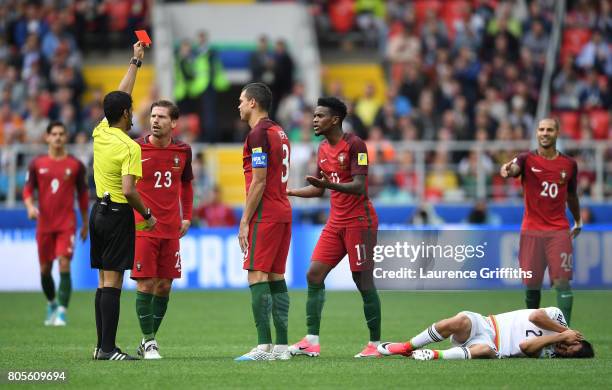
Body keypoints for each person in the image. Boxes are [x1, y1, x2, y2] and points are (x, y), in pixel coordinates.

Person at [287, 97, 382, 358]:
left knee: (362, 280)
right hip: (335, 222)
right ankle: (311, 341)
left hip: (360, 221)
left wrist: (328, 185)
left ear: (335, 119)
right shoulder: (321, 149)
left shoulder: (356, 145)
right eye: (314, 115)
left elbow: (360, 186)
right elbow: (318, 189)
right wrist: (290, 191)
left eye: (319, 116)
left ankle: (375, 344)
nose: (314, 120)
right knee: (313, 275)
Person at [90, 41, 157, 361]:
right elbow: (130, 189)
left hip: (97, 211)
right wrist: (148, 214)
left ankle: (100, 345)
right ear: (126, 114)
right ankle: (107, 348)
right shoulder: (131, 147)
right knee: (114, 282)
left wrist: (135, 62)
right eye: (130, 109)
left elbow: (118, 97)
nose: (134, 113)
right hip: (117, 213)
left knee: (103, 281)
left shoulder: (101, 131)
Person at [500, 118, 581, 325]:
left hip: (558, 231)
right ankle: (533, 328)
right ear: (536, 133)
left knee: (562, 282)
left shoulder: (569, 165)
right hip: (531, 231)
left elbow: (571, 195)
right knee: (532, 284)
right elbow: (514, 170)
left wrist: (578, 220)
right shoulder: (526, 159)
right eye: (541, 129)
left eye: (549, 130)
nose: (545, 133)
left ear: (557, 133)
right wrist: (508, 170)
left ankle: (565, 333)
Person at [131, 100, 193, 359]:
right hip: (142, 226)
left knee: (164, 286)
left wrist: (187, 216)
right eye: (153, 116)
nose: (155, 120)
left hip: (171, 229)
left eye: (162, 117)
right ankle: (150, 341)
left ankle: (147, 342)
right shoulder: (136, 148)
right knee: (146, 284)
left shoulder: (183, 151)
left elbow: (187, 185)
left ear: (174, 123)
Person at [235, 82, 292, 361]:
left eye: (241, 101)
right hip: (283, 211)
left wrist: (244, 220)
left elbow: (258, 180)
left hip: (265, 214)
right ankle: (281, 347)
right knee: (276, 277)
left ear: (253, 103)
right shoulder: (279, 132)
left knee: (256, 275)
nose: (239, 105)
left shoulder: (258, 134)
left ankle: (263, 347)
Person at [23, 121, 89, 327]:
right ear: (47, 137)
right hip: (44, 225)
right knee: (45, 269)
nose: (58, 137)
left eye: (61, 133)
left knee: (64, 262)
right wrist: (30, 207)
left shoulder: (75, 165)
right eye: (54, 134)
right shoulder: (37, 164)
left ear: (66, 137)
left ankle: (62, 311)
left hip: (66, 224)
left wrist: (85, 223)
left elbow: (83, 195)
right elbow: (27, 189)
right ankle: (52, 302)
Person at [377, 307, 594, 360]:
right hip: (487, 324)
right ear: (576, 337)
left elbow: (525, 346)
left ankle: (434, 354)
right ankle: (407, 347)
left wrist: (558, 338)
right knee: (458, 321)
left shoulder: (550, 353)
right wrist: (564, 331)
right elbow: (536, 316)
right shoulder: (557, 318)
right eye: (571, 343)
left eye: (568, 352)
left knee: (484, 350)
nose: (565, 348)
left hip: (493, 347)